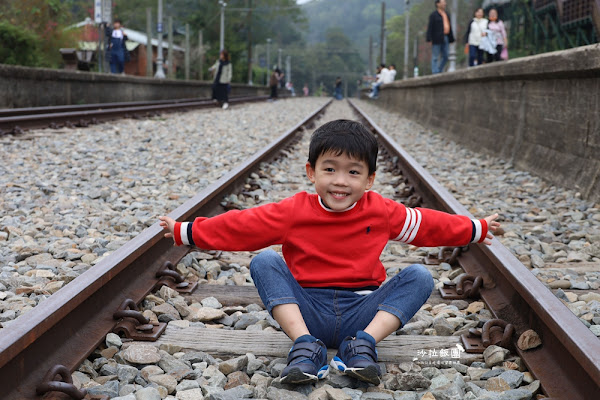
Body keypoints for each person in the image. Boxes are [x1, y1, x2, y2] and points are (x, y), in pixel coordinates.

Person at [159, 119, 500, 386]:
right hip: (307, 310)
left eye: (353, 172)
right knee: (264, 260)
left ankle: (363, 344)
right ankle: (305, 345)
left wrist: (477, 228)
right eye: (330, 169)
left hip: (362, 311)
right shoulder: (295, 211)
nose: (340, 181)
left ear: (369, 180)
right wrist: (186, 230)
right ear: (312, 172)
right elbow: (243, 226)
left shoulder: (380, 211)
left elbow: (428, 225)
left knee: (420, 276)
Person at [426, 0, 455, 74]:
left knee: (446, 55)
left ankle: (439, 69)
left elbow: (449, 27)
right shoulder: (434, 15)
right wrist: (429, 38)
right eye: (442, 2)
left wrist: (451, 39)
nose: (444, 3)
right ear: (438, 4)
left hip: (446, 37)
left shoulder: (447, 14)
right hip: (436, 37)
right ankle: (435, 72)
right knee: (435, 56)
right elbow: (430, 27)